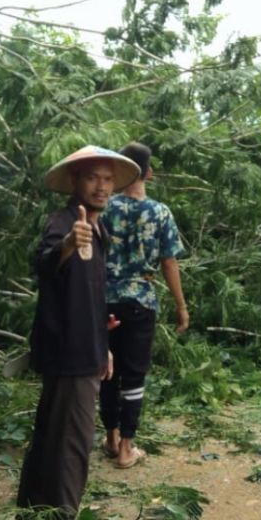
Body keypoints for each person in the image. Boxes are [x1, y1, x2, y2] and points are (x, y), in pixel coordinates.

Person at [16, 145, 140, 520]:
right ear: (75, 181)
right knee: (72, 444)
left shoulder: (97, 228)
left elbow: (89, 294)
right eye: (92, 178)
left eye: (107, 179)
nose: (102, 187)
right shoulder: (67, 221)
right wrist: (69, 242)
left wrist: (103, 342)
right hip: (68, 352)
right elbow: (44, 262)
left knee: (53, 435)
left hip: (82, 347)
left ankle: (32, 516)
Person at [99, 142, 188, 470]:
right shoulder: (159, 212)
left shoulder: (105, 208)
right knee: (134, 374)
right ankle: (127, 448)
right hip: (141, 302)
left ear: (123, 170)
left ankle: (110, 437)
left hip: (104, 300)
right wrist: (181, 306)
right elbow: (169, 262)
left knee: (107, 371)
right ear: (148, 172)